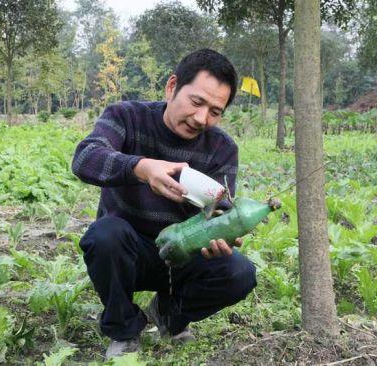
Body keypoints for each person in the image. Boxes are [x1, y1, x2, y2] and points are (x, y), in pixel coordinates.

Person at [71, 48, 257, 359]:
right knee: (104, 235)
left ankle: (169, 315)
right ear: (172, 87)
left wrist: (220, 234)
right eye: (196, 102)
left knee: (239, 272)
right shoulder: (126, 117)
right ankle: (125, 328)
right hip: (128, 251)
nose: (201, 118)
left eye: (215, 111)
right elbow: (85, 158)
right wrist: (141, 168)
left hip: (183, 254)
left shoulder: (222, 149)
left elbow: (220, 211)